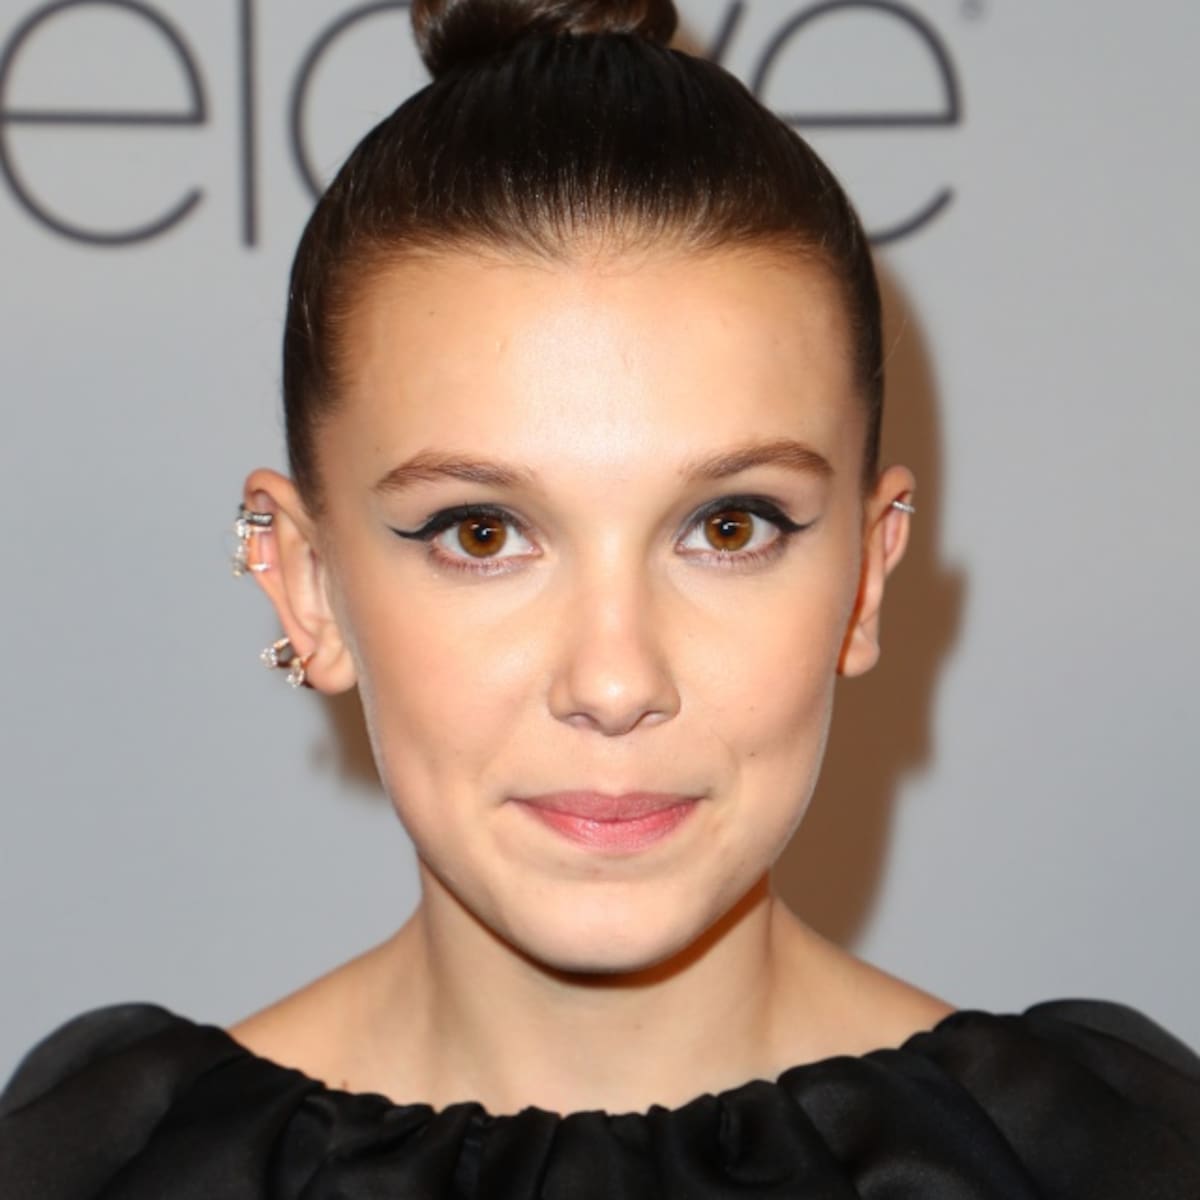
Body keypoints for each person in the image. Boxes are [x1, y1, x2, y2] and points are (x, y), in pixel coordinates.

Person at [2, 0, 1198, 1195]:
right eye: (483, 533)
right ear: (307, 585)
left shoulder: (1096, 1163)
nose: (616, 682)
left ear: (867, 576)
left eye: (729, 527)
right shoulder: (101, 1172)